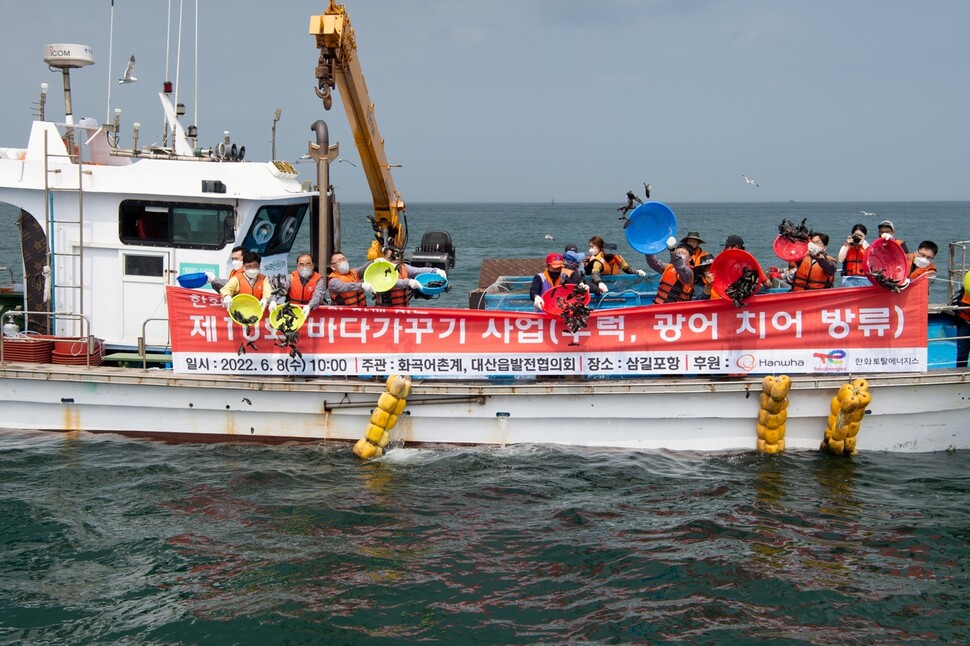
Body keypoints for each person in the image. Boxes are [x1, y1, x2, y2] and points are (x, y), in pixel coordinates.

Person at [370, 247, 446, 307]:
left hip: (402, 310)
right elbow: (391, 282)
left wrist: (435, 270)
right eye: (392, 257)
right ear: (385, 257)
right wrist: (408, 282)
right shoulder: (380, 271)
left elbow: (418, 271)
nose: (396, 259)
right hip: (386, 311)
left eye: (397, 256)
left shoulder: (403, 267)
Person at [644, 237, 694, 304]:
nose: (680, 255)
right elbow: (653, 263)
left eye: (683, 253)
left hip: (676, 310)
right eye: (678, 252)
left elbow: (679, 265)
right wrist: (648, 250)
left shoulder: (688, 273)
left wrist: (673, 250)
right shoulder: (668, 267)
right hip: (658, 306)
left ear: (690, 258)